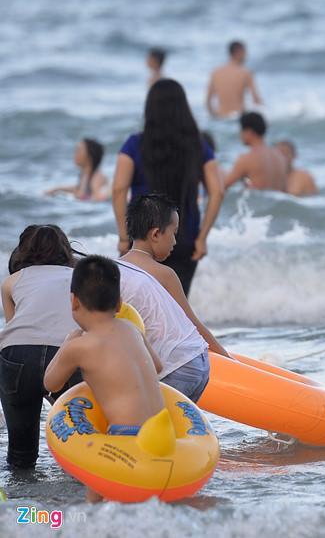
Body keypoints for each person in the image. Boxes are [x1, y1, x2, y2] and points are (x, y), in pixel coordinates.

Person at [43, 255, 164, 502]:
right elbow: (158, 366)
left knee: (94, 498)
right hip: (162, 433)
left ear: (74, 301)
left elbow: (50, 383)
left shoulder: (79, 346)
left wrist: (68, 343)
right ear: (119, 304)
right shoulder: (132, 330)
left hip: (126, 437)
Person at [113, 79, 224, 295]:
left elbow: (118, 189)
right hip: (184, 238)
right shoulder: (198, 145)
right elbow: (217, 191)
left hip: (144, 239)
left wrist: (124, 236)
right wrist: (202, 238)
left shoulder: (134, 144)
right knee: (178, 309)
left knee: (140, 308)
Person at [118, 194, 231, 400]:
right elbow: (192, 322)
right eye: (174, 233)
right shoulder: (164, 274)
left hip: (172, 365)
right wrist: (227, 358)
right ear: (155, 234)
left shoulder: (114, 272)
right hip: (192, 363)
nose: (175, 241)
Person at [0, 226, 83, 468]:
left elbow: (15, 327)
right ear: (65, 250)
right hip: (67, 353)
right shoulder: (79, 278)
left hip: (17, 356)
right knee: (78, 439)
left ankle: (19, 501)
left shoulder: (11, 281)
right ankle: (80, 500)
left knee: (20, 452)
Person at [224, 112, 288, 192]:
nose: (240, 134)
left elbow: (223, 186)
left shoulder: (247, 159)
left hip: (256, 203)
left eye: (241, 130)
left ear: (249, 131)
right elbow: (285, 191)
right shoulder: (280, 157)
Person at [206, 41, 263, 118]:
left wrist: (214, 116)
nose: (246, 56)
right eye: (245, 52)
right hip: (239, 116)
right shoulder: (245, 73)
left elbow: (208, 101)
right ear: (239, 52)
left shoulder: (216, 72)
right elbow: (256, 100)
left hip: (220, 117)